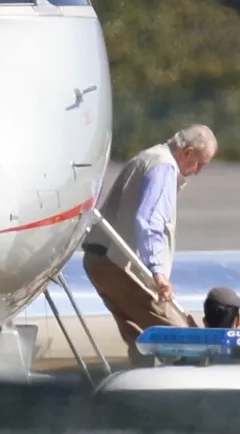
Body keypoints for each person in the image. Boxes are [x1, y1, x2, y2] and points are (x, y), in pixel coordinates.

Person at [81, 125, 218, 367]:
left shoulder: (146, 157)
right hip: (118, 263)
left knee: (139, 336)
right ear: (187, 152)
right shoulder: (163, 167)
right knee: (181, 334)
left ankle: (141, 385)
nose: (198, 172)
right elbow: (150, 221)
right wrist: (158, 273)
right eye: (200, 163)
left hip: (98, 259)